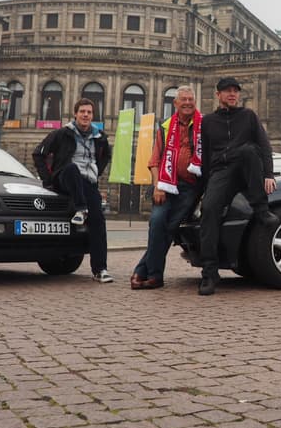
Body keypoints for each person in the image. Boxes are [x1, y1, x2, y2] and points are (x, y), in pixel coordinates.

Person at [197, 77, 278, 295]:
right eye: (227, 91)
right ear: (218, 95)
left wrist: (268, 175)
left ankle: (262, 211)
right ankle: (209, 273)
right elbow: (205, 156)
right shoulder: (208, 122)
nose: (232, 94)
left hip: (246, 168)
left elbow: (264, 146)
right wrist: (206, 188)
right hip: (221, 171)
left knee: (249, 150)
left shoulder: (249, 116)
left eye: (235, 91)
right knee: (210, 210)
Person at [32, 98, 114, 283]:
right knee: (71, 168)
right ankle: (81, 209)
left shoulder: (100, 137)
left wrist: (96, 172)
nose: (86, 115)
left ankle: (100, 270)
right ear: (75, 114)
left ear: (93, 116)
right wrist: (47, 179)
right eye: (82, 111)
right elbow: (38, 153)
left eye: (89, 112)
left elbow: (106, 156)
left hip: (87, 183)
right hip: (65, 178)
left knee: (99, 221)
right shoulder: (61, 133)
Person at [130, 86, 203, 290]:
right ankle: (147, 272)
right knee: (156, 223)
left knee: (170, 229)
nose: (188, 102)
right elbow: (154, 161)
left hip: (190, 187)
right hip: (165, 185)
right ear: (176, 103)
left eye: (191, 99)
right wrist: (157, 187)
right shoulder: (165, 126)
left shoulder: (203, 125)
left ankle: (148, 274)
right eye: (184, 99)